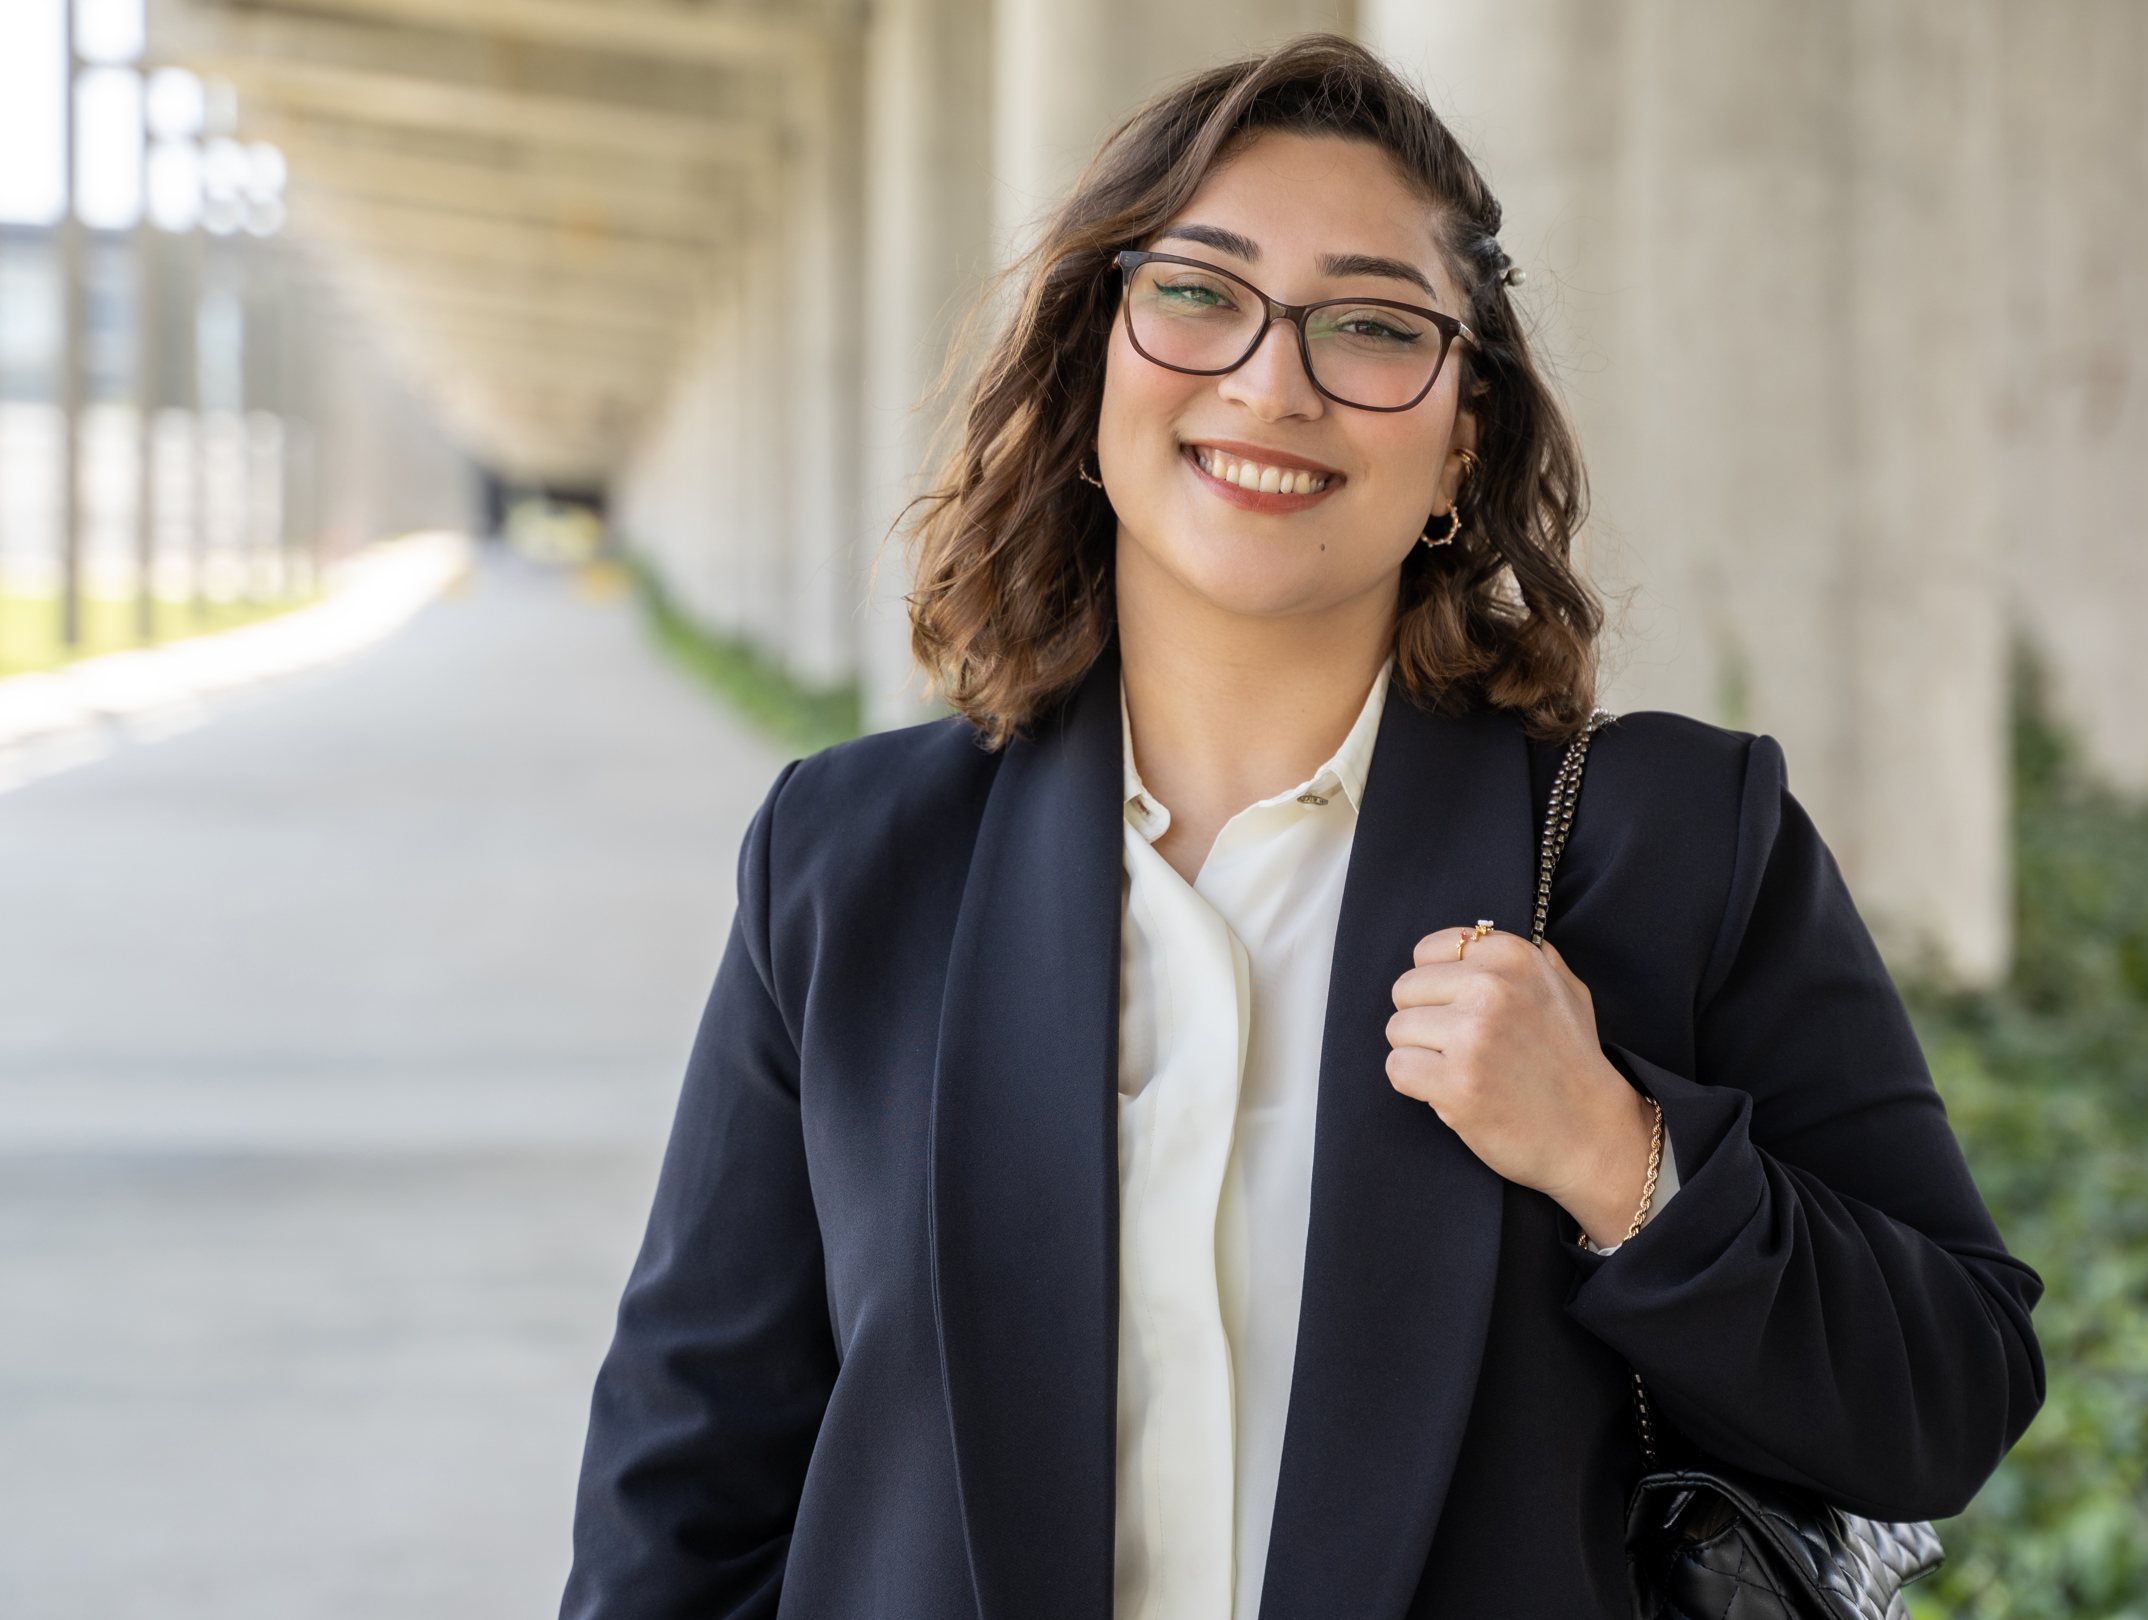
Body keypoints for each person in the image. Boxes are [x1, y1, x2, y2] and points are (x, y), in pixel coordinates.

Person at [561, 35, 2042, 1620]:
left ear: (1460, 441)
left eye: (1372, 326)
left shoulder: (1669, 841)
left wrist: (1623, 1162)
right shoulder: (852, 862)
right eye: (1198, 293)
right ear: (1092, 370)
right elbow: (690, 1479)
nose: (1273, 381)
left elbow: (1943, 1398)